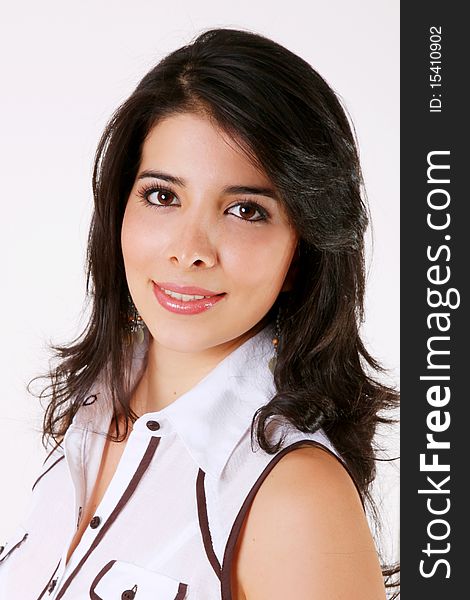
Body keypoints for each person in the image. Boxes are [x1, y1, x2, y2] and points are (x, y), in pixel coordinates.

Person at [0, 27, 399, 599]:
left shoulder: (295, 496)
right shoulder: (89, 416)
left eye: (245, 209)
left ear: (303, 248)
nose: (189, 248)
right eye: (162, 195)